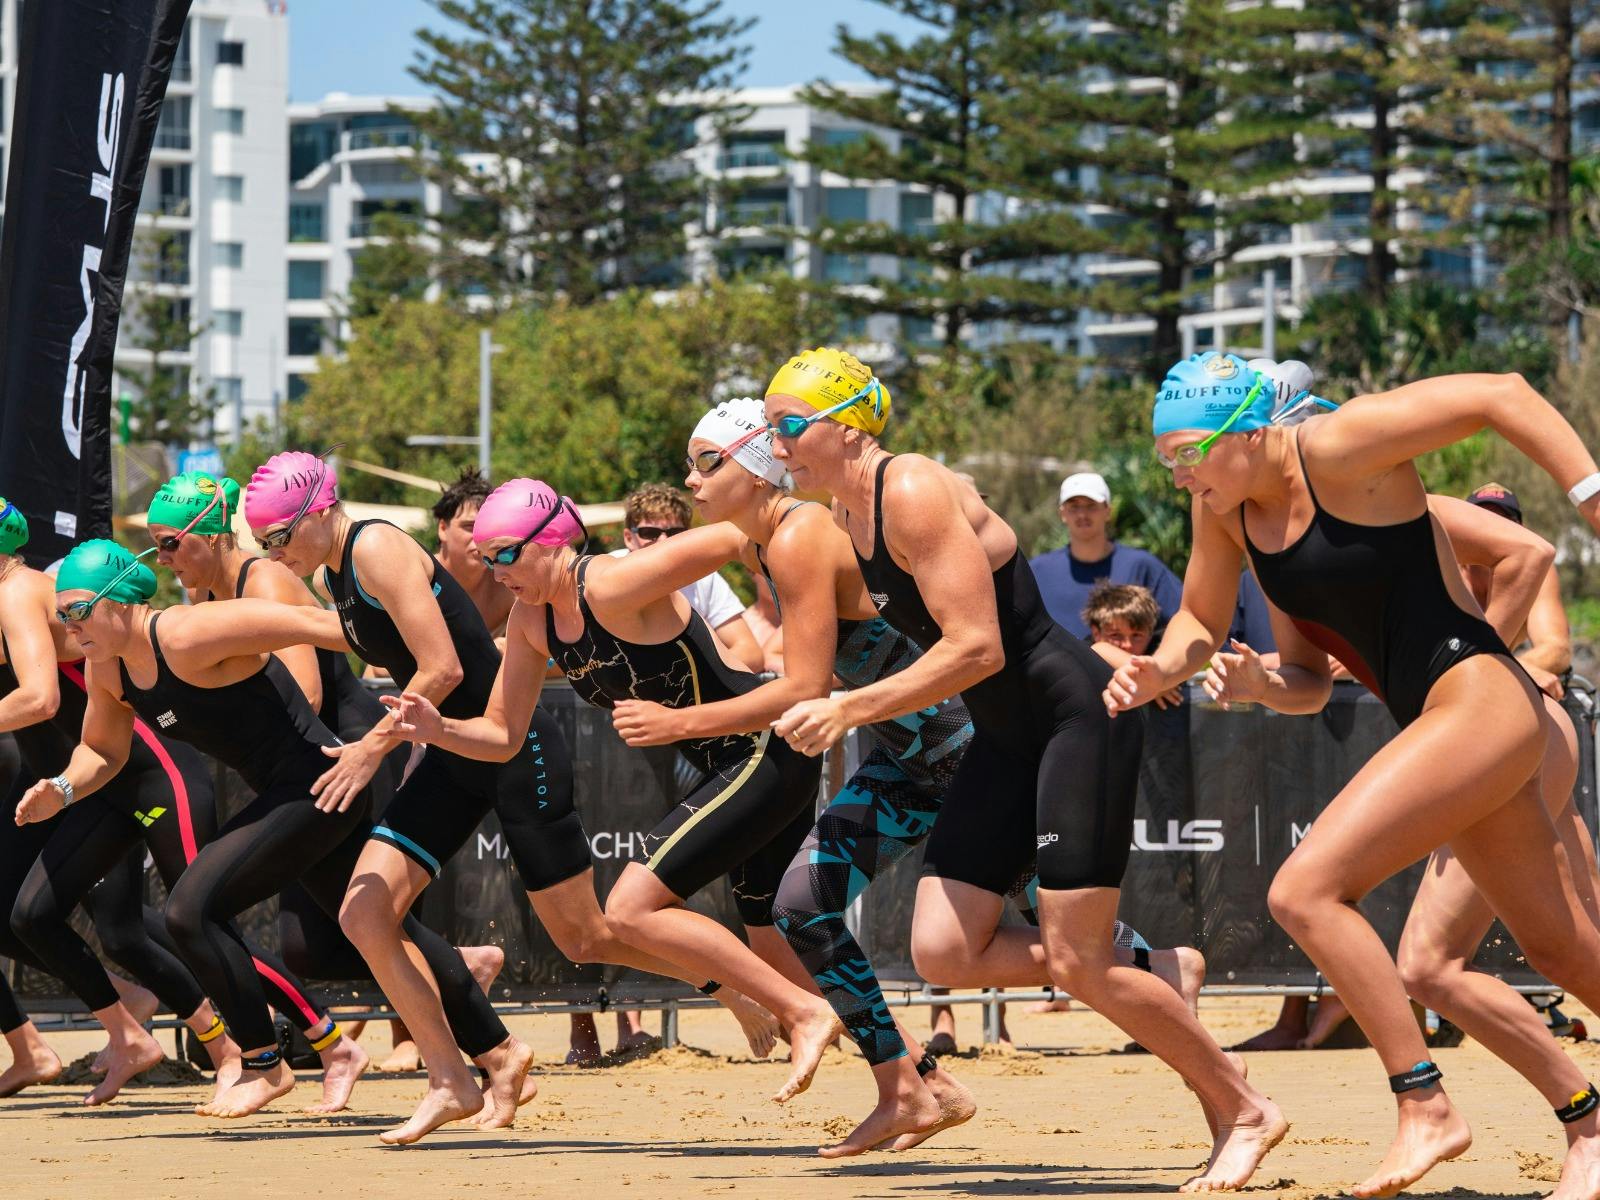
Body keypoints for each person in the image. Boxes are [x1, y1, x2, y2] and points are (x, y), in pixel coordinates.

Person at [606, 398, 1204, 1156]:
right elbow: (646, 587)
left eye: (706, 461)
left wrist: (677, 724)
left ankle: (1157, 976)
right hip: (904, 760)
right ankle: (913, 1086)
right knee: (805, 904)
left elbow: (803, 688)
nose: (690, 481)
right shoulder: (757, 543)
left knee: (1049, 934)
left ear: (756, 469)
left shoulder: (798, 538)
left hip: (964, 750)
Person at [762, 347, 1283, 1191]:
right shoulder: (846, 518)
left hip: (1076, 720)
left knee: (1077, 961)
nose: (774, 441)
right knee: (942, 951)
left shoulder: (913, 490)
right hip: (1008, 740)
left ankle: (1243, 1107)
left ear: (849, 423)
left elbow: (977, 646)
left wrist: (849, 707)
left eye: (788, 423)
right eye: (767, 424)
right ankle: (1149, 972)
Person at [1104, 351, 1600, 1199]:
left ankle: (1425, 1104)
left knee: (1304, 891)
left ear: (1250, 432)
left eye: (1187, 453)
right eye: (1166, 459)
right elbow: (1221, 631)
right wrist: (1181, 672)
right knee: (1561, 949)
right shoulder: (1229, 515)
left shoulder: (1340, 446)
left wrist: (1590, 494)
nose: (1178, 476)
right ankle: (1589, 1128)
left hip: (1480, 696)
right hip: (1452, 723)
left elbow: (1498, 394)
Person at [246, 452, 776, 1142]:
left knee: (585, 938)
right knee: (365, 912)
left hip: (512, 746)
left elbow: (443, 667)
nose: (273, 553)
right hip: (454, 750)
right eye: (263, 543)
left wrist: (371, 748)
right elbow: (401, 667)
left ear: (317, 513)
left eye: (278, 537)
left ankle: (730, 985)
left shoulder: (375, 547)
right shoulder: (328, 572)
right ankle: (455, 1078)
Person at [380, 477, 845, 1107]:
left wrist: (822, 593)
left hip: (763, 747)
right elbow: (501, 734)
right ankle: (917, 1081)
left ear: (552, 542)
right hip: (730, 765)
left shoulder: (611, 583)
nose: (496, 571)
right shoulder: (532, 620)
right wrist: (440, 728)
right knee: (758, 926)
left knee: (630, 908)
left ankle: (801, 1012)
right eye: (488, 558)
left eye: (508, 554)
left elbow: (744, 535)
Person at [27, 537, 516, 1125]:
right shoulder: (109, 668)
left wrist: (438, 658)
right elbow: (100, 750)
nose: (67, 626)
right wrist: (61, 789)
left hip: (317, 784)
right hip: (293, 795)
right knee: (379, 927)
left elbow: (322, 625)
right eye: (62, 614)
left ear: (120, 600)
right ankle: (499, 1051)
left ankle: (264, 1062)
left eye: (76, 610)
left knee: (191, 910)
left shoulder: (189, 632)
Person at [148, 470, 502, 1075]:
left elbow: (304, 695)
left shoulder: (267, 581)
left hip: (345, 757)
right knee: (314, 946)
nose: (163, 559)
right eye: (155, 548)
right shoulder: (206, 597)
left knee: (362, 921)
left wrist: (337, 766)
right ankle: (460, 980)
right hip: (313, 772)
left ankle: (458, 1049)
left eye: (169, 543)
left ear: (206, 533)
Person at [619, 483, 766, 672]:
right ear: (629, 538)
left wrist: (685, 677)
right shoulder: (604, 571)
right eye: (650, 533)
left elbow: (750, 653)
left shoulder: (704, 579)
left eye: (675, 533)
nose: (664, 542)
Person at [1028, 471, 1182, 639]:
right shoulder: (1037, 571)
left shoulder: (1141, 566)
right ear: (1062, 514)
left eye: (1091, 506)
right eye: (1074, 507)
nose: (1082, 515)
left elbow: (1185, 619)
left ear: (1108, 511)